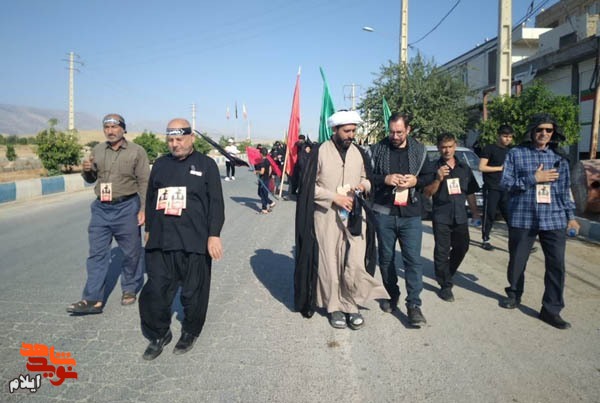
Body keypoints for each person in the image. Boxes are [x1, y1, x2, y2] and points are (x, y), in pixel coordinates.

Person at [294, 110, 389, 330]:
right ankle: (334, 306)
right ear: (335, 129)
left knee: (354, 261)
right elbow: (308, 187)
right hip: (326, 217)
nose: (351, 135)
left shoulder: (359, 152)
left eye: (354, 130)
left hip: (354, 216)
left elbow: (367, 179)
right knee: (330, 263)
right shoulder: (319, 152)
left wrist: (363, 186)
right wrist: (333, 197)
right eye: (347, 131)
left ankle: (351, 304)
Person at [139, 118, 224, 360]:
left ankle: (190, 331)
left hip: (194, 241)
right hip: (162, 240)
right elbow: (151, 198)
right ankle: (158, 334)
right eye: (170, 140)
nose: (175, 144)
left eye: (179, 139)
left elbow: (216, 203)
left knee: (193, 292)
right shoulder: (160, 165)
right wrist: (149, 229)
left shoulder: (206, 165)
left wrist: (214, 235)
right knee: (156, 290)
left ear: (191, 138)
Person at [499, 113, 579, 329]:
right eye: (540, 129)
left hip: (554, 218)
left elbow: (565, 191)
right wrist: (534, 178)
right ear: (532, 131)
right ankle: (514, 293)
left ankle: (551, 310)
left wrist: (571, 218)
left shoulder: (560, 158)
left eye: (548, 130)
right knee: (518, 260)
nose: (544, 133)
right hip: (523, 217)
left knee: (556, 265)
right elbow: (505, 184)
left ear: (554, 133)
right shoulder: (516, 154)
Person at [67, 114, 149, 315]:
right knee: (97, 254)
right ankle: (92, 299)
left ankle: (129, 288)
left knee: (131, 252)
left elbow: (144, 182)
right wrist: (87, 171)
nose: (110, 131)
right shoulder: (97, 150)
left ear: (123, 129)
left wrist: (144, 209)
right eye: (107, 127)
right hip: (101, 209)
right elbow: (91, 179)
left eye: (114, 127)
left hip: (127, 207)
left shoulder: (136, 151)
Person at [369, 113, 436, 327]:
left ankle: (414, 305)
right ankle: (392, 294)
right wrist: (385, 179)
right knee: (386, 259)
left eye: (399, 132)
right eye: (391, 132)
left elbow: (430, 176)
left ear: (408, 130)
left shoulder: (419, 151)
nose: (395, 136)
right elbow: (367, 177)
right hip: (384, 212)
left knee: (413, 260)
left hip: (411, 214)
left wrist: (416, 181)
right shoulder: (377, 150)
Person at [424, 133, 481, 302]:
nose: (447, 150)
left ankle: (446, 272)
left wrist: (475, 212)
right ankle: (445, 285)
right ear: (438, 147)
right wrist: (438, 179)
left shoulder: (464, 168)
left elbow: (470, 192)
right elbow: (427, 193)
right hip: (441, 215)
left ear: (455, 146)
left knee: (462, 247)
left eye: (449, 146)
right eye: (443, 147)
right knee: (442, 251)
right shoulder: (433, 168)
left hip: (460, 216)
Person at [479, 125, 514, 251]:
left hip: (507, 188)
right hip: (492, 187)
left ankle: (517, 242)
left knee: (511, 216)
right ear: (498, 136)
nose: (507, 139)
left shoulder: (511, 150)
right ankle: (485, 239)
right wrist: (500, 168)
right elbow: (482, 167)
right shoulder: (489, 149)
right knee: (490, 214)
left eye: (510, 137)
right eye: (505, 136)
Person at [255, 147, 276, 214]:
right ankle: (270, 203)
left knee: (263, 194)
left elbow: (262, 172)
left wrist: (256, 171)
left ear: (261, 154)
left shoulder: (263, 162)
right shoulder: (267, 160)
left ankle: (265, 208)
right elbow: (270, 169)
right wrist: (268, 176)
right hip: (266, 179)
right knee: (261, 193)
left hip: (263, 179)